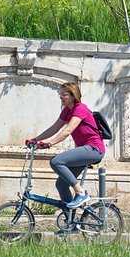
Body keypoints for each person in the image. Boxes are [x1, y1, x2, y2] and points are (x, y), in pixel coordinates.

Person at [26, 82, 105, 210]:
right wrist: (36, 140)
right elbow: (55, 128)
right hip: (84, 150)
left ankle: (81, 193)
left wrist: (49, 143)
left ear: (73, 95)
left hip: (94, 149)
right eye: (60, 94)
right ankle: (70, 223)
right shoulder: (67, 110)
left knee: (56, 161)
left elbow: (67, 131)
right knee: (61, 185)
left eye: (64, 94)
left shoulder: (80, 108)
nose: (61, 97)